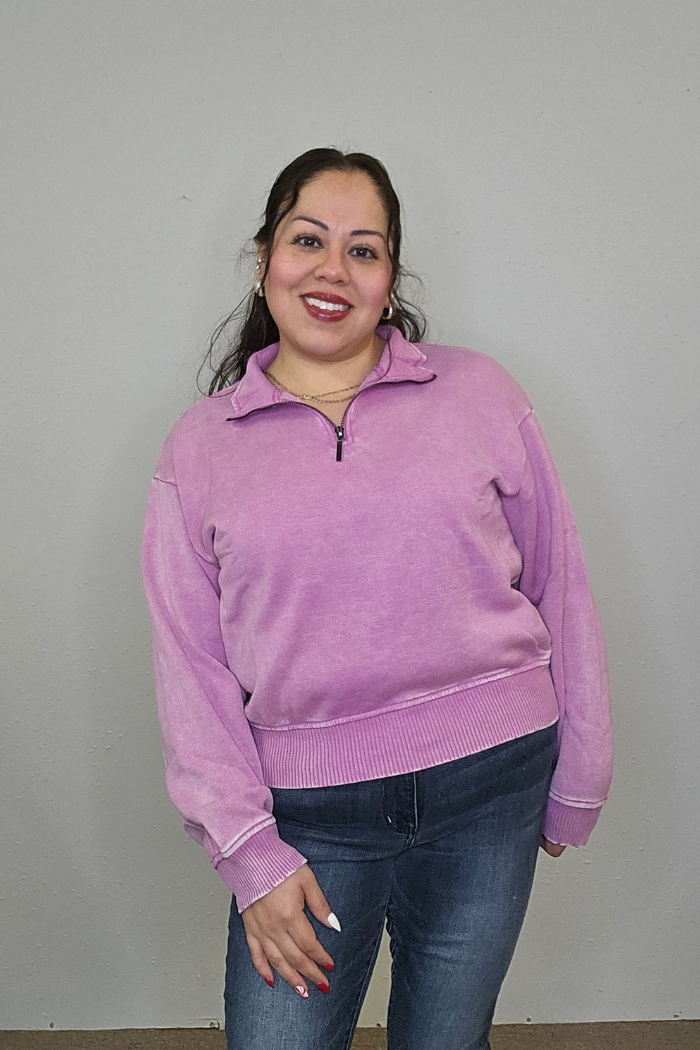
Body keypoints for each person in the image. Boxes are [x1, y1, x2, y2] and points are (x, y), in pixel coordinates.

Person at [141, 147, 613, 1050]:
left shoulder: (480, 394)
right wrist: (249, 851)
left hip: (492, 783)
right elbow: (189, 669)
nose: (332, 269)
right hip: (310, 820)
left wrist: (580, 778)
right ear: (264, 258)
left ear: (391, 277)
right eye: (307, 239)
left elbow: (562, 582)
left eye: (364, 249)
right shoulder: (199, 450)